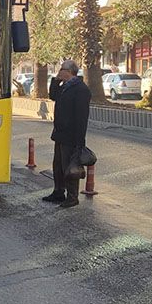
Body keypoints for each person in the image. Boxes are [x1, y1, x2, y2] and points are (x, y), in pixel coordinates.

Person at [43, 59, 91, 208]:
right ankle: (58, 192)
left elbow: (82, 117)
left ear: (69, 71)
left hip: (71, 136)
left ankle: (72, 196)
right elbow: (52, 96)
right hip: (60, 133)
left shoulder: (80, 89)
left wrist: (79, 141)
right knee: (58, 165)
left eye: (61, 69)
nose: (59, 71)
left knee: (69, 167)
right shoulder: (65, 86)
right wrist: (55, 81)